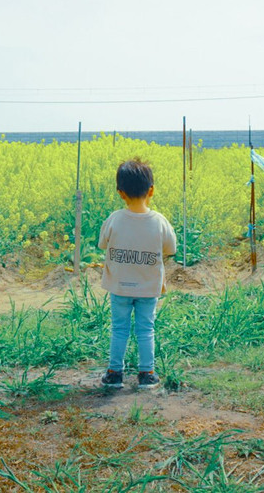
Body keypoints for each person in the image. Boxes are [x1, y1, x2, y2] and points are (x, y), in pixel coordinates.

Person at [97, 158, 177, 389]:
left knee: (119, 329)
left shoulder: (114, 219)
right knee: (146, 329)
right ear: (151, 190)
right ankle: (147, 374)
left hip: (120, 286)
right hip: (148, 287)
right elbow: (170, 249)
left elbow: (103, 243)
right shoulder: (160, 222)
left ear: (120, 193)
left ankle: (114, 374)